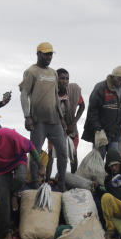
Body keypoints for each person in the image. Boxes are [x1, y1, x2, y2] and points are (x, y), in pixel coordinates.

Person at [20, 42, 68, 185]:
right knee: (36, 153)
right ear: (38, 54)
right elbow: (24, 94)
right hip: (38, 120)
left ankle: (62, 183)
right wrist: (27, 117)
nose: (49, 57)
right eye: (46, 54)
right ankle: (35, 182)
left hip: (54, 121)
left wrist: (62, 118)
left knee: (63, 152)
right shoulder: (31, 71)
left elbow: (55, 96)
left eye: (51, 54)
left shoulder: (53, 73)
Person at [81, 66, 121, 157]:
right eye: (120, 79)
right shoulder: (101, 88)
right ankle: (97, 172)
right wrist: (98, 129)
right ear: (113, 77)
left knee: (114, 158)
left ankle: (110, 172)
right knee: (99, 157)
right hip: (101, 131)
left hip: (115, 131)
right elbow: (92, 111)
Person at [56, 68, 85, 171]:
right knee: (53, 155)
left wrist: (73, 123)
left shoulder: (73, 91)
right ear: (56, 79)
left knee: (73, 154)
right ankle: (52, 180)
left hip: (72, 130)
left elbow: (82, 106)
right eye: (62, 78)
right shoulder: (51, 93)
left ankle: (73, 177)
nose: (65, 81)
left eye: (67, 78)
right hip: (55, 129)